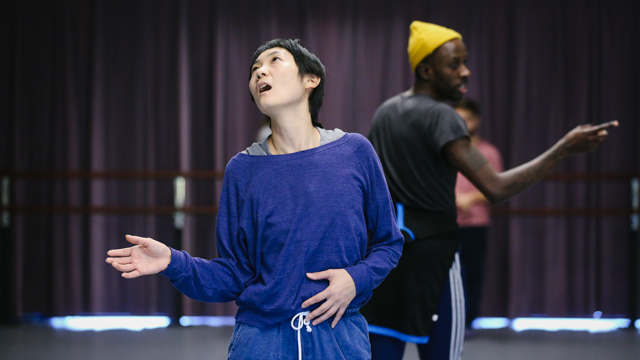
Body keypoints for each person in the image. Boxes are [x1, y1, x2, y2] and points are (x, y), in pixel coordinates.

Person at [106, 38, 404, 360]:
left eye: (275, 60)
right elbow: (234, 274)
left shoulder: (355, 152)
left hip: (339, 339)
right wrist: (172, 262)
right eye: (254, 70)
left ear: (310, 79)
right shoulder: (243, 169)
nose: (260, 71)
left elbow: (388, 244)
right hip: (261, 344)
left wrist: (354, 279)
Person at [361, 21, 618, 360]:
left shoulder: (385, 112)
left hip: (387, 258)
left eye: (465, 62)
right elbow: (496, 188)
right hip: (434, 260)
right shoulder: (443, 116)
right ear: (425, 69)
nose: (465, 72)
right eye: (454, 64)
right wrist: (563, 149)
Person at [452, 99, 503, 335]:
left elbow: (498, 186)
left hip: (475, 224)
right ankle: (446, 320)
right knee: (447, 276)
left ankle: (469, 321)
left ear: (477, 120)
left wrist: (469, 199)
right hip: (446, 223)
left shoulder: (489, 152)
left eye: (468, 118)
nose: (463, 123)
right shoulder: (445, 150)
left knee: (472, 272)